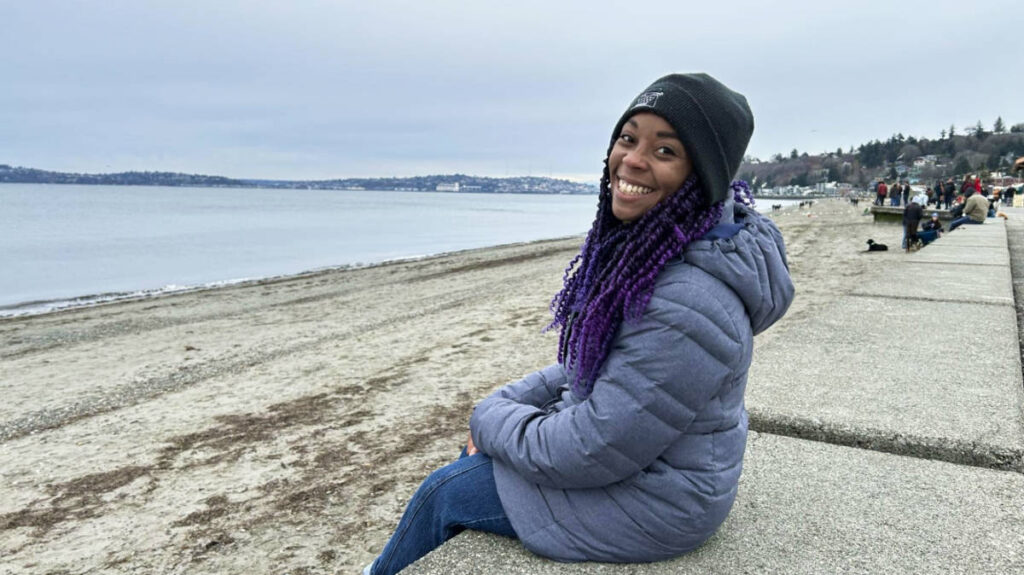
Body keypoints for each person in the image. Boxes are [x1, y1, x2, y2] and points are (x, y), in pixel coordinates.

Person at [362, 73, 795, 575]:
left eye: (666, 151)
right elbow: (587, 366)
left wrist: (489, 418)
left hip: (661, 499)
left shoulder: (690, 302)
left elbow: (590, 448)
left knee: (445, 493)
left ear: (703, 177)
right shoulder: (665, 248)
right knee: (476, 460)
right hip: (643, 465)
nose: (632, 160)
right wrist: (507, 402)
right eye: (628, 138)